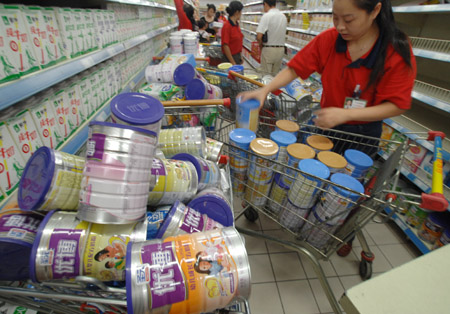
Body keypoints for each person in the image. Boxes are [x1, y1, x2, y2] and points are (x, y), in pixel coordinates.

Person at [239, 0, 416, 255]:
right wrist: (265, 88)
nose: (340, 26)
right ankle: (308, 227)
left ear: (375, 10)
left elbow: (398, 105)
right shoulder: (330, 40)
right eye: (335, 17)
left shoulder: (395, 49)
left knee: (345, 194)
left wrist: (345, 114)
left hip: (362, 136)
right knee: (317, 185)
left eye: (349, 19)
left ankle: (342, 234)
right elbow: (295, 68)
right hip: (327, 128)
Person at [256, 0, 287, 75]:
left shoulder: (267, 16)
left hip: (268, 50)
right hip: (280, 50)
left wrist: (260, 46)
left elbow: (259, 36)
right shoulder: (283, 16)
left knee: (266, 76)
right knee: (274, 76)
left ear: (266, 4)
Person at [221, 1, 244, 65]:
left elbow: (238, 42)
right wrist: (233, 62)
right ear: (237, 12)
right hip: (229, 58)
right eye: (241, 11)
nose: (241, 14)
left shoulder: (236, 24)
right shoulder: (227, 26)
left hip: (237, 56)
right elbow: (225, 46)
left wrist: (240, 56)